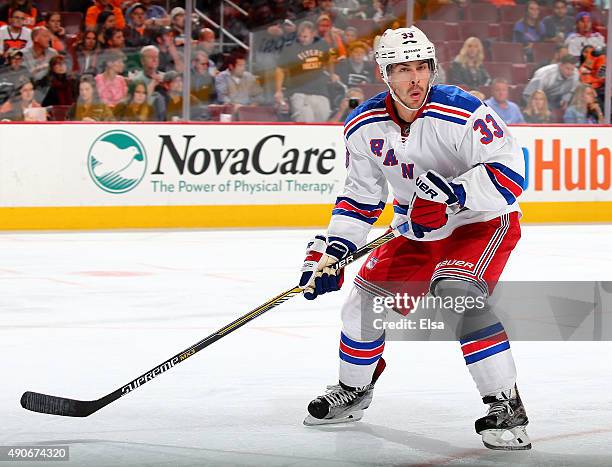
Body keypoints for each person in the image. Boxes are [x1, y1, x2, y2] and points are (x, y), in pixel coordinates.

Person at [298, 26, 531, 451]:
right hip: (415, 229)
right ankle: (353, 390)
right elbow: (360, 196)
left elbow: (512, 173)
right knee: (361, 303)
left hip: (479, 221)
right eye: (403, 69)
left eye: (422, 67)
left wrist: (455, 195)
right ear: (385, 74)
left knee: (458, 294)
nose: (415, 79)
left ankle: (506, 405)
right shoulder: (364, 124)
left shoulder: (464, 111)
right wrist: (333, 250)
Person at [275, 21, 336, 122]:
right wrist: (278, 90)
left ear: (313, 34)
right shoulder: (290, 47)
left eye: (305, 36)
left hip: (320, 91)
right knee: (305, 123)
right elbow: (280, 69)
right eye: (300, 36)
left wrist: (332, 74)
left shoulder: (322, 44)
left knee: (323, 121)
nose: (301, 39)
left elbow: (329, 60)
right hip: (299, 92)